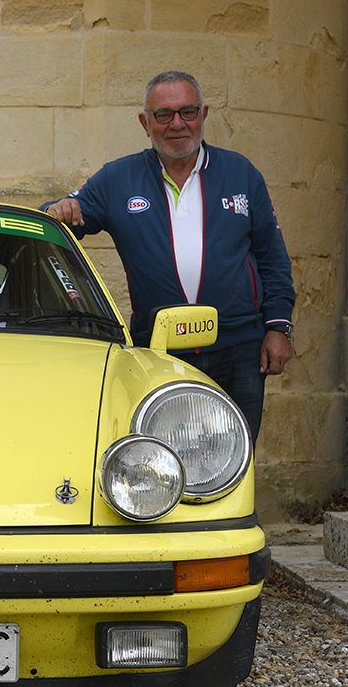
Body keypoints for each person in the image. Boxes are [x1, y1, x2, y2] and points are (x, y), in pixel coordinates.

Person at [41, 70, 294, 443]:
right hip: (159, 350)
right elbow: (61, 220)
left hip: (240, 349)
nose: (178, 124)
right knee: (161, 460)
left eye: (187, 112)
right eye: (164, 115)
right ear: (145, 123)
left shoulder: (241, 173)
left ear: (204, 114)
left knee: (235, 459)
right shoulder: (118, 179)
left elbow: (272, 257)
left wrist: (278, 327)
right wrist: (57, 208)